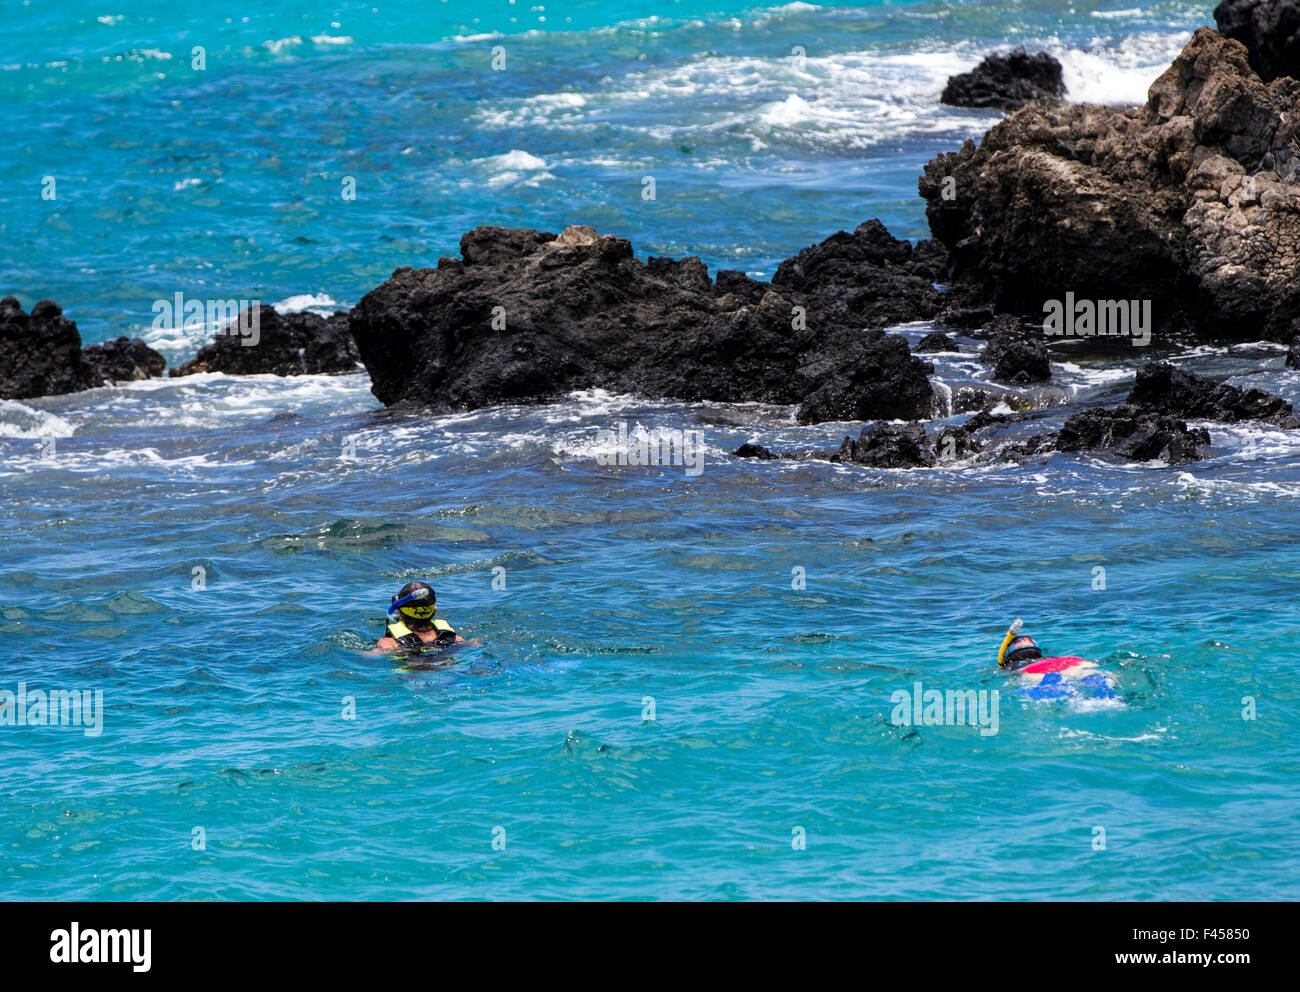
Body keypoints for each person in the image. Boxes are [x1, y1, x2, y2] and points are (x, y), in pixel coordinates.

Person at [375, 581, 465, 654]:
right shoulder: (456, 639)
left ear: (399, 613)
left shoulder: (389, 644)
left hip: (411, 674)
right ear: (435, 610)